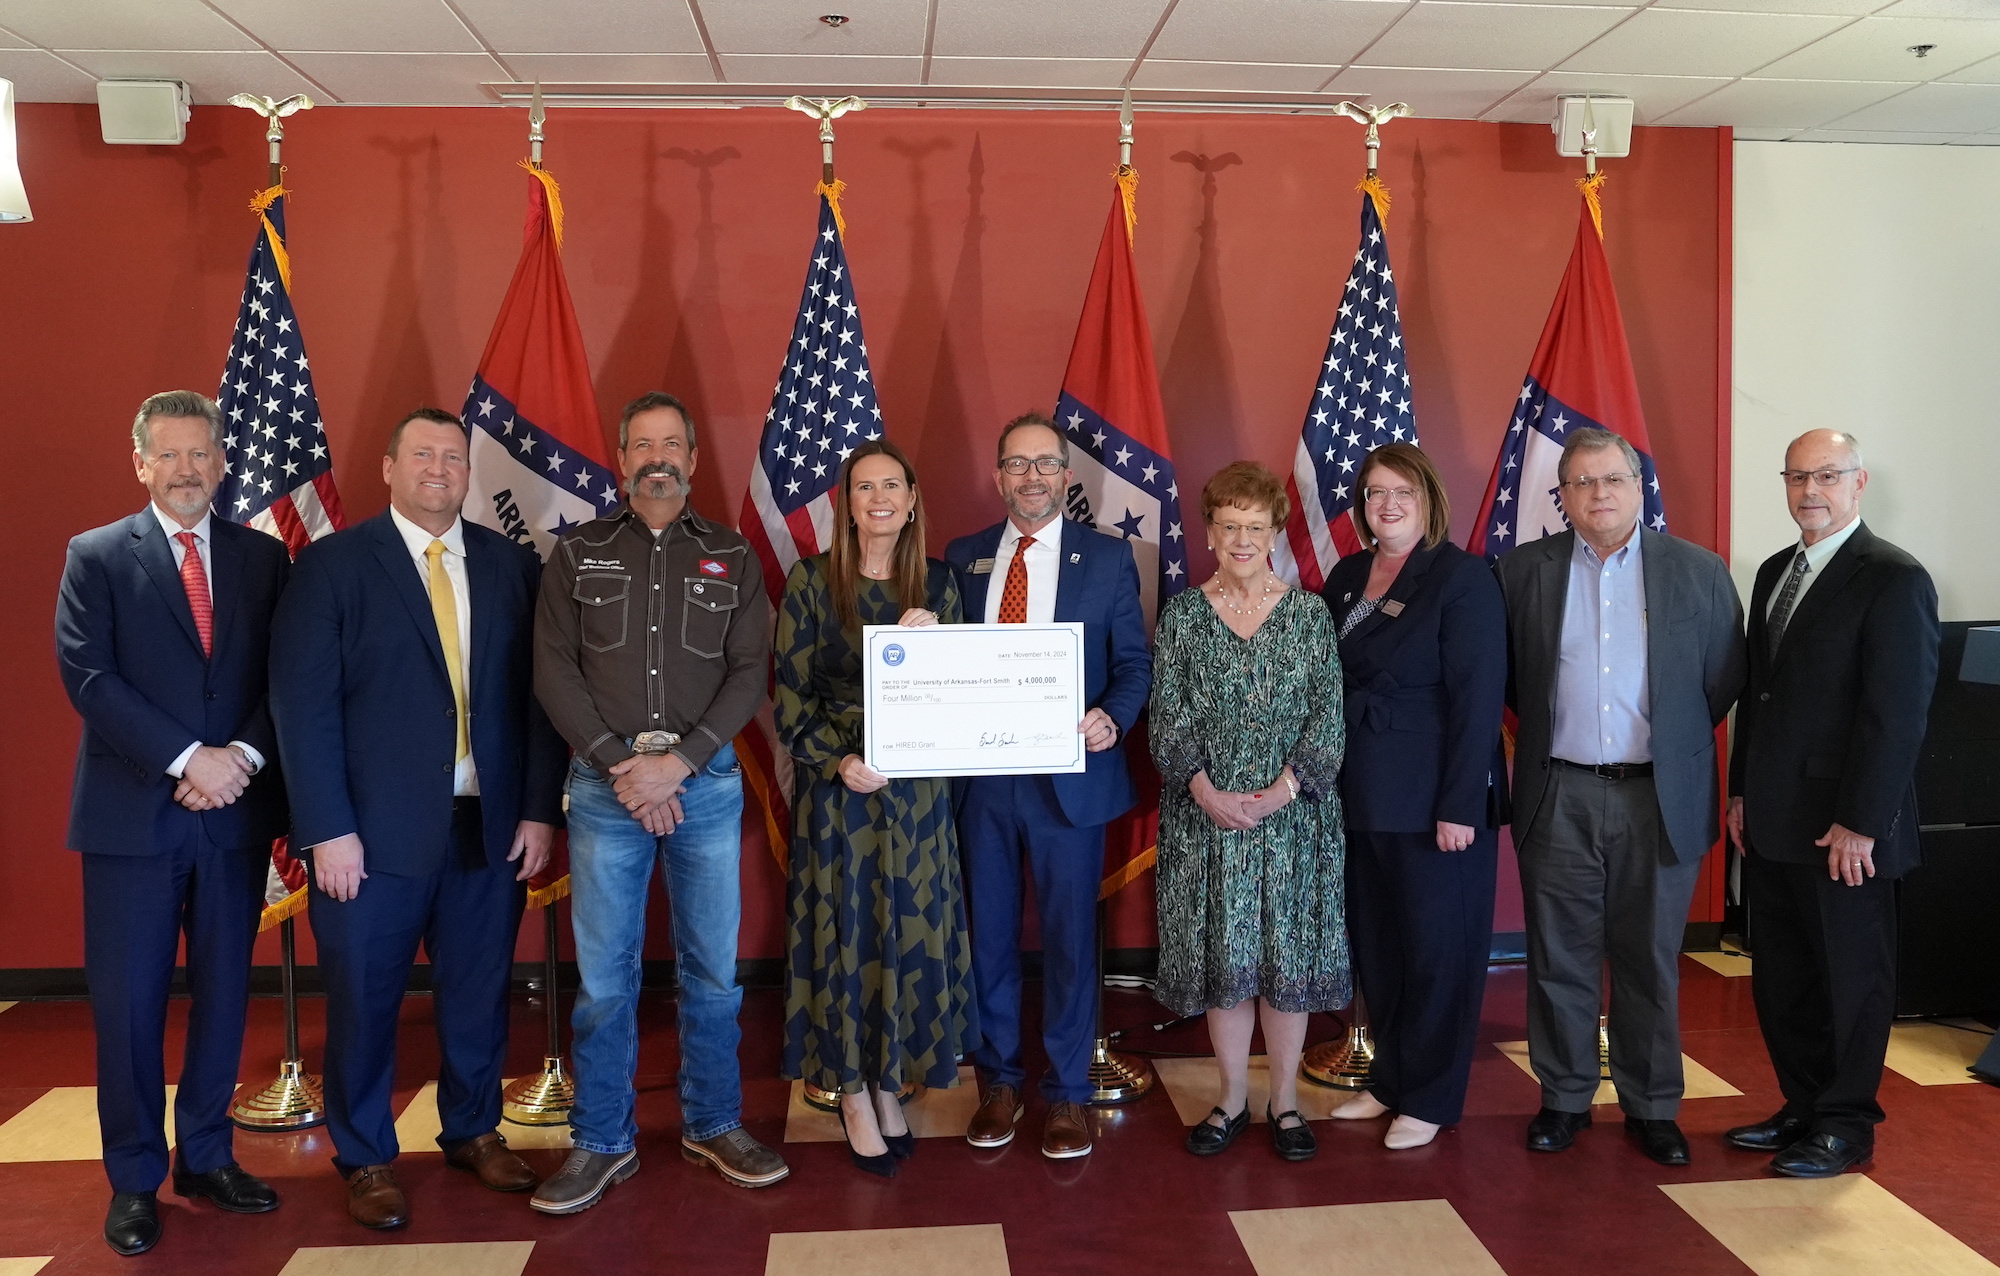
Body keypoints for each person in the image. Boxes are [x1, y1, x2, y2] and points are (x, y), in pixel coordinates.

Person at [271, 408, 564, 1229]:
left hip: (489, 826)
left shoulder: (513, 567)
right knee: (364, 1001)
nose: (440, 468)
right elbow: (303, 707)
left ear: (469, 474)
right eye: (423, 454)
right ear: (391, 468)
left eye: (454, 457)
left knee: (478, 993)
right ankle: (365, 1156)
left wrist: (540, 810)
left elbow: (538, 703)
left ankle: (472, 1129)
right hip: (367, 839)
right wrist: (326, 827)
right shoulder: (331, 567)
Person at [532, 392, 787, 1211]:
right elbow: (553, 672)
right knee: (606, 980)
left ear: (693, 459)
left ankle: (714, 1124)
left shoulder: (734, 555)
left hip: (703, 787)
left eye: (672, 444)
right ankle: (602, 1141)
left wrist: (676, 764)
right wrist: (621, 767)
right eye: (643, 444)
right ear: (620, 456)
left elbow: (750, 672)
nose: (658, 458)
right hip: (605, 790)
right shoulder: (575, 555)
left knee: (714, 973)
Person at [55, 391, 290, 1256]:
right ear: (141, 462)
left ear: (222, 461)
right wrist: (193, 758)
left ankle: (206, 1155)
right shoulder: (98, 556)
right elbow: (89, 678)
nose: (188, 470)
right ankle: (134, 1179)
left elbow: (288, 677)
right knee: (128, 1008)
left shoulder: (263, 560)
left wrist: (242, 762)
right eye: (171, 455)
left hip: (232, 819)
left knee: (226, 996)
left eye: (202, 454)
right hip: (132, 824)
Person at [1493, 426, 1745, 1167]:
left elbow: (1722, 680)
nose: (1599, 494)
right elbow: (1512, 683)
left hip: (1657, 796)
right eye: (1582, 483)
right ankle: (1565, 1097)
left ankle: (1652, 1104)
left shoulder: (1698, 572)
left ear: (1639, 488)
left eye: (1613, 480)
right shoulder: (1521, 573)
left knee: (1650, 959)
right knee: (1558, 957)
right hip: (1560, 790)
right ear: (1563, 496)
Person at [1725, 429, 1939, 1178]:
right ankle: (1804, 1107)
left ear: (1859, 482)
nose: (1809, 489)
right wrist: (1741, 790)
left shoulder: (1893, 577)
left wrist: (1861, 821)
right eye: (1796, 476)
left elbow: (1897, 715)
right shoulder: (1777, 572)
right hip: (1776, 821)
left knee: (1852, 982)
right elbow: (1761, 696)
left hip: (1847, 829)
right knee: (1785, 979)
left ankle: (1846, 1126)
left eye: (1827, 475)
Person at [945, 412, 1152, 1160]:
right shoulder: (961, 558)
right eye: (1017, 465)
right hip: (984, 784)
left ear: (1067, 476)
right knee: (989, 940)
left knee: (1069, 940)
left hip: (1071, 780)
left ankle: (1067, 1092)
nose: (1031, 477)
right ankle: (998, 1083)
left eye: (1045, 464)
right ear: (998, 477)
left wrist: (1111, 718)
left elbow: (1134, 664)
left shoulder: (1105, 559)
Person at [774, 440, 979, 1178]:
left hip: (918, 803)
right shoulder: (808, 582)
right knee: (849, 940)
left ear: (913, 497)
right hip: (842, 799)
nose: (880, 498)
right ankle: (852, 1091)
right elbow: (791, 696)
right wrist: (837, 762)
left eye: (893, 484)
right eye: (865, 487)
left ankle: (892, 1082)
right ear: (848, 502)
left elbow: (963, 694)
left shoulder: (943, 585)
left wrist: (940, 646)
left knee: (907, 937)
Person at [1150, 461, 1349, 1162]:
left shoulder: (1309, 614)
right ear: (1208, 532)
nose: (1241, 539)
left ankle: (1285, 1101)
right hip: (1207, 823)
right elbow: (1166, 720)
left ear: (1274, 534)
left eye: (1255, 527)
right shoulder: (1180, 615)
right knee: (1225, 964)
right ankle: (1232, 1098)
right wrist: (1205, 790)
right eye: (1229, 526)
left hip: (1293, 822)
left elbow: (1329, 717)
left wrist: (1281, 792)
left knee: (1285, 964)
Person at [1320, 444, 1508, 1151]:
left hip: (1436, 800)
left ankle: (1430, 1097)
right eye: (1374, 494)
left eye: (1402, 492)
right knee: (1383, 949)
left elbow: (1477, 700)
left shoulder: (1462, 578)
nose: (1387, 505)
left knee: (1437, 953)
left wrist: (1460, 804)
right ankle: (1391, 1080)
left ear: (1429, 498)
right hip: (1361, 793)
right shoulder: (1345, 575)